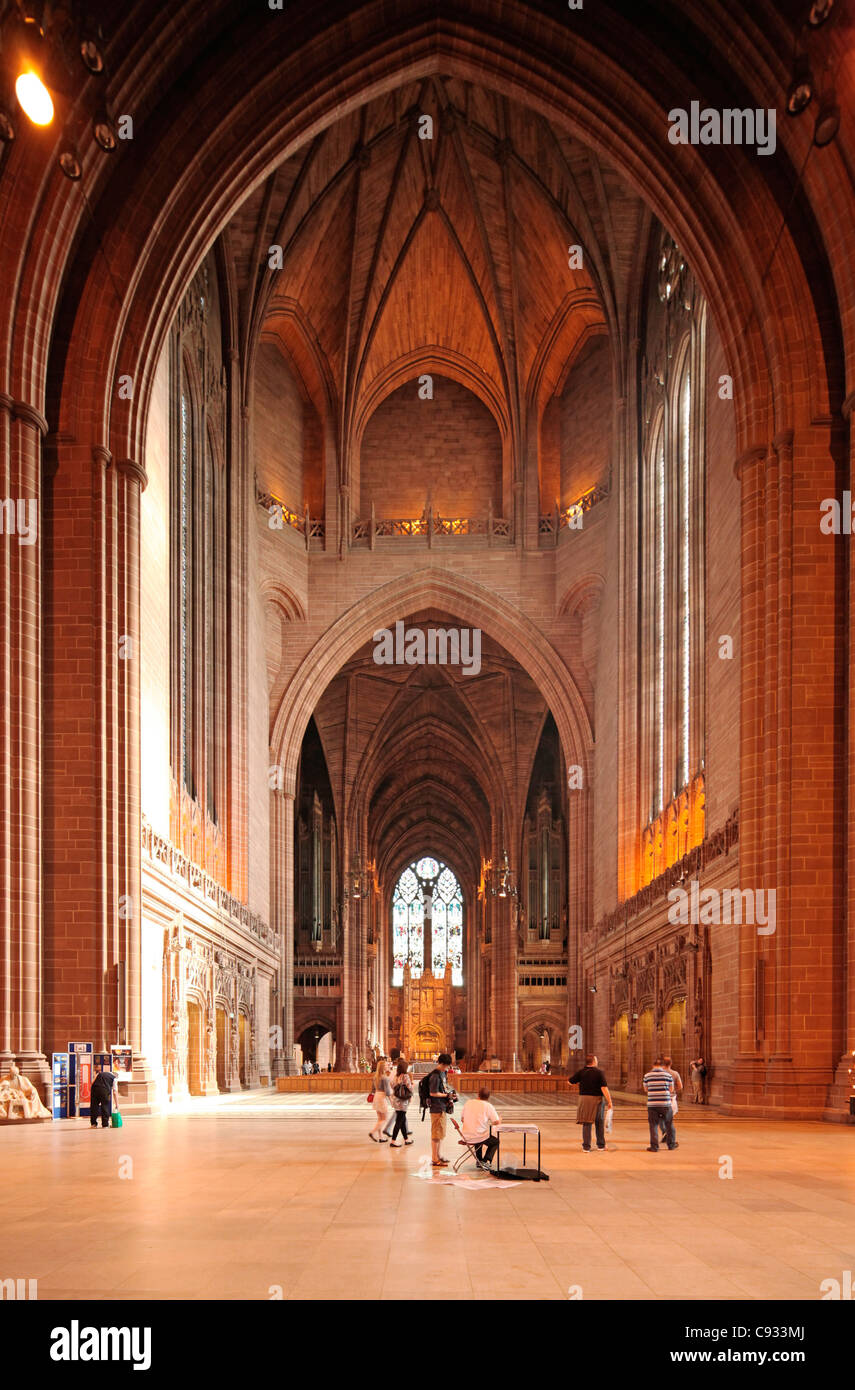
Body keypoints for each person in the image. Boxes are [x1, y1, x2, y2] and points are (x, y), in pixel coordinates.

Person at [568, 1054, 613, 1151]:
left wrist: (580, 1083)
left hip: (584, 1100)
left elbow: (570, 1082)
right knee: (599, 1122)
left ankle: (586, 1147)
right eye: (596, 1060)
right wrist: (610, 1101)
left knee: (586, 1123)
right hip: (597, 1100)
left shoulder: (581, 1072)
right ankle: (601, 1146)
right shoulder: (599, 1073)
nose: (597, 1061)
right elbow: (604, 1088)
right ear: (594, 1061)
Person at [460, 1086, 501, 1167]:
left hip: (466, 1136)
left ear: (478, 1094)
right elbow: (496, 1122)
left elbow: (462, 1119)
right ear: (488, 1097)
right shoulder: (488, 1106)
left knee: (478, 1134)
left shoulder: (469, 1102)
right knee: (495, 1142)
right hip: (478, 1136)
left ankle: (479, 1160)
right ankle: (485, 1161)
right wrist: (500, 1119)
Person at [642, 1056, 677, 1151]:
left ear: (653, 1065)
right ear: (662, 1065)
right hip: (665, 1103)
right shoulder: (668, 1075)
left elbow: (646, 1089)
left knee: (653, 1125)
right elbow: (671, 1089)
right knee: (669, 1124)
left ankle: (654, 1147)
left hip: (652, 1104)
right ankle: (671, 1145)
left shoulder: (647, 1075)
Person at [428, 1052, 457, 1168]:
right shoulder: (435, 1076)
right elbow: (432, 1093)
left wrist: (449, 1095)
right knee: (436, 1134)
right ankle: (434, 1159)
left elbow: (442, 1089)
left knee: (439, 1133)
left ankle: (438, 1155)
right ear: (443, 1063)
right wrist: (446, 1096)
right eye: (447, 1065)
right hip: (436, 1108)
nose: (448, 1067)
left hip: (441, 1107)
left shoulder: (442, 1074)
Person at [388, 1058, 414, 1147]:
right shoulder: (405, 1076)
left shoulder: (396, 1076)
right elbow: (409, 1087)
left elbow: (391, 1085)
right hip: (403, 1101)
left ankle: (406, 1139)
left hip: (396, 1099)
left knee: (402, 1119)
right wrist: (412, 1091)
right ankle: (393, 1141)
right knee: (399, 1121)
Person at [659, 1055, 683, 1145]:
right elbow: (680, 1086)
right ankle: (668, 1136)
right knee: (669, 1119)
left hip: (660, 1098)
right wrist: (672, 1090)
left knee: (660, 1117)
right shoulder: (675, 1073)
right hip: (671, 1098)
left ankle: (665, 1132)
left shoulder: (659, 1073)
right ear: (671, 1063)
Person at [369, 1057, 392, 1142]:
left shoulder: (375, 1077)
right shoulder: (385, 1078)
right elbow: (388, 1092)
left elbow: (372, 1090)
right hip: (382, 1098)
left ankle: (381, 1136)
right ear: (383, 1067)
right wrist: (392, 1102)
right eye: (386, 1065)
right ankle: (372, 1132)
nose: (388, 1065)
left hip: (376, 1096)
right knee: (384, 1119)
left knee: (380, 1118)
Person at [89, 1063, 118, 1129]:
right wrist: (117, 1104)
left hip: (95, 1089)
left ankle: (93, 1124)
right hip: (104, 1091)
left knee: (94, 1106)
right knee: (104, 1106)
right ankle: (105, 1125)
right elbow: (115, 1092)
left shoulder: (100, 1073)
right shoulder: (114, 1079)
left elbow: (92, 1082)